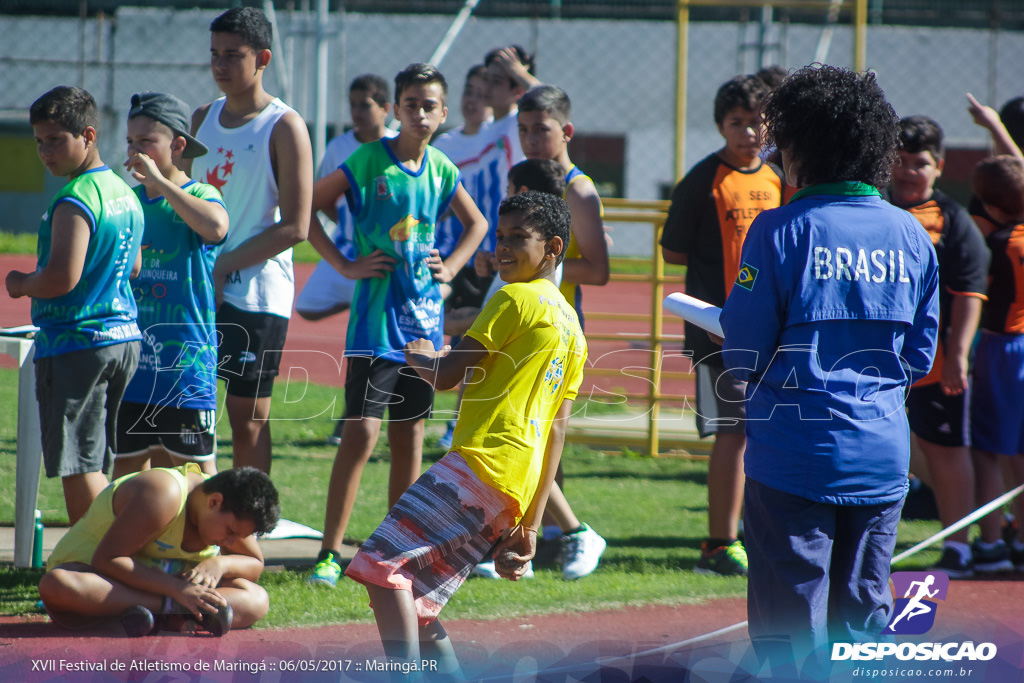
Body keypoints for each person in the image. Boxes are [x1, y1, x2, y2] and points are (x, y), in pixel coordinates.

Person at [719, 64, 940, 672]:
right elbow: (918, 356)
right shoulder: (912, 235)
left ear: (799, 148)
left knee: (791, 627)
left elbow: (743, 352)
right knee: (865, 620)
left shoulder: (780, 230)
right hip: (882, 454)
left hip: (795, 455)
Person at [344, 191, 587, 675]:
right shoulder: (573, 327)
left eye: (520, 238)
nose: (503, 248)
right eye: (500, 237)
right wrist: (531, 527)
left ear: (554, 248)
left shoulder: (514, 297)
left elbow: (448, 373)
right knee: (415, 601)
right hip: (511, 486)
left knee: (380, 565)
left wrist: (417, 355)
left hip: (479, 464)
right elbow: (556, 436)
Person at [306, 63, 487, 588]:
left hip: (423, 324)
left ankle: (393, 548)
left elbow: (476, 224)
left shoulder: (442, 169)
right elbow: (306, 210)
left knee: (410, 436)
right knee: (361, 432)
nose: (421, 113)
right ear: (395, 110)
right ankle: (329, 552)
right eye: (411, 103)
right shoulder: (366, 162)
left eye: (430, 105)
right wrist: (344, 265)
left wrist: (450, 268)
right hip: (373, 323)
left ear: (443, 113)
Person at [660, 74, 782, 577]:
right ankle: (719, 543)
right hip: (720, 330)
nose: (748, 133)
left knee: (771, 431)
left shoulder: (778, 178)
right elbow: (673, 251)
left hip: (775, 328)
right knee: (733, 432)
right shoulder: (703, 179)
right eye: (737, 123)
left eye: (756, 123)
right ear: (719, 126)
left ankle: (765, 533)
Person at [5, 86, 144, 525]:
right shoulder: (123, 192)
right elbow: (135, 266)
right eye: (39, 141)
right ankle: (112, 559)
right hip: (124, 339)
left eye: (55, 140)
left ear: (87, 134)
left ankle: (101, 563)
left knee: (78, 466)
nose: (45, 151)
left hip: (78, 343)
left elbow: (62, 278)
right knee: (99, 460)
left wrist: (22, 282)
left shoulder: (75, 200)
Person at [188, 6, 314, 474]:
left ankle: (250, 531)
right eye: (214, 55)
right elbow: (187, 199)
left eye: (233, 56)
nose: (220, 65)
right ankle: (195, 523)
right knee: (187, 410)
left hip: (256, 293)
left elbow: (296, 226)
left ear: (262, 57)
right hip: (199, 289)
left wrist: (223, 266)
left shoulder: (284, 126)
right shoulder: (202, 117)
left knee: (248, 418)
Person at [513, 84, 610, 580]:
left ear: (566, 131)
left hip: (556, 326)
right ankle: (532, 541)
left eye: (542, 129)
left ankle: (565, 535)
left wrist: (543, 264)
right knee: (524, 433)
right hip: (523, 322)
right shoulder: (524, 181)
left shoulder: (577, 189)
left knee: (538, 433)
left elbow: (597, 269)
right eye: (523, 129)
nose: (531, 138)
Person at [886, 115, 989, 578]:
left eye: (920, 163)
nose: (909, 171)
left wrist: (959, 356)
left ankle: (958, 547)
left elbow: (970, 293)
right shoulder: (872, 210)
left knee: (948, 452)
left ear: (939, 167)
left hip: (933, 360)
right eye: (900, 161)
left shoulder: (953, 219)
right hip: (872, 360)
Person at [112, 92, 229, 479]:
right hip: (134, 368)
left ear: (177, 145)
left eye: (146, 141)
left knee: (196, 477)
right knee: (128, 476)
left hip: (185, 368)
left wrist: (161, 182)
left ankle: (213, 543)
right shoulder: (127, 202)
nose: (135, 150)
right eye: (130, 141)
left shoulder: (200, 194)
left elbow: (216, 227)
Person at [38, 465, 279, 637]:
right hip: (100, 578)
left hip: (161, 592)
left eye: (238, 537)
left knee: (256, 599)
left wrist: (220, 564)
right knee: (57, 585)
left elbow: (254, 563)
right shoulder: (164, 493)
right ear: (214, 501)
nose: (228, 542)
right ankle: (170, 614)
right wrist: (178, 591)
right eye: (230, 532)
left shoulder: (229, 512)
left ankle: (148, 616)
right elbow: (108, 559)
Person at [432, 63, 498, 450]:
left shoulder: (502, 136)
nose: (473, 99)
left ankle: (458, 421)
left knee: (475, 339)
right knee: (450, 329)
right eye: (468, 90)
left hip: (488, 254)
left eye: (481, 91)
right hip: (449, 252)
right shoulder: (446, 145)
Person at [299, 73, 396, 325]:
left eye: (365, 105)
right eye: (352, 105)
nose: (356, 112)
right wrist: (345, 220)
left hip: (388, 246)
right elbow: (321, 199)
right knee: (306, 306)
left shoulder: (398, 145)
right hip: (349, 244)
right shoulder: (338, 147)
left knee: (383, 317)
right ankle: (352, 298)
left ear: (386, 109)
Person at [969, 155, 1024, 574]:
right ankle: (1019, 538)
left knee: (987, 451)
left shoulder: (995, 246)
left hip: (1002, 348)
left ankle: (990, 543)